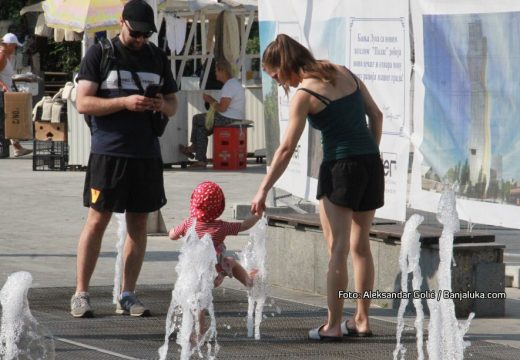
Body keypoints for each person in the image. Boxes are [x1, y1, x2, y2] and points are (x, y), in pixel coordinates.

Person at [251, 34, 384, 341]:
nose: (276, 82)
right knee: (360, 245)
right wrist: (367, 155)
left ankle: (333, 325)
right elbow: (375, 116)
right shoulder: (344, 71)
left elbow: (285, 150)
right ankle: (361, 320)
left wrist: (262, 189)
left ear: (285, 66)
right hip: (370, 164)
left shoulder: (305, 94)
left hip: (340, 167)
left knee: (336, 249)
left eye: (275, 76)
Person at [71, 0, 178, 318]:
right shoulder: (101, 53)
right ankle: (81, 293)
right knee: (97, 220)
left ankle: (128, 294)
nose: (141, 40)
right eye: (136, 33)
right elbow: (83, 103)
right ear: (122, 23)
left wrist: (160, 105)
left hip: (145, 153)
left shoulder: (158, 57)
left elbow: (174, 105)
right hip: (109, 152)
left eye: (146, 35)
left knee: (138, 223)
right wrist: (124, 102)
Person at [169, 181, 260, 337]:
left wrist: (174, 231)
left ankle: (197, 333)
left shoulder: (189, 223)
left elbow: (172, 235)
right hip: (215, 272)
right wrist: (257, 216)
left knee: (197, 303)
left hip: (193, 274)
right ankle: (248, 281)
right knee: (232, 262)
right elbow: (244, 226)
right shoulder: (221, 227)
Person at [179, 59, 245, 168]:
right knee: (201, 127)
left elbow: (222, 108)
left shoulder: (229, 86)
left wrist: (210, 100)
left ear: (222, 71)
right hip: (233, 117)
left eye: (216, 71)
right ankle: (197, 153)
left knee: (198, 119)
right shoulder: (234, 84)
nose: (215, 74)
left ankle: (196, 150)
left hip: (228, 119)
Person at [0, 33, 32, 157]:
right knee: (7, 120)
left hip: (7, 92)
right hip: (4, 93)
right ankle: (17, 147)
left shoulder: (6, 56)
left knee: (8, 120)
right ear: (8, 45)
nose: (15, 48)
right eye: (14, 46)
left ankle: (17, 147)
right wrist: (3, 86)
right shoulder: (2, 56)